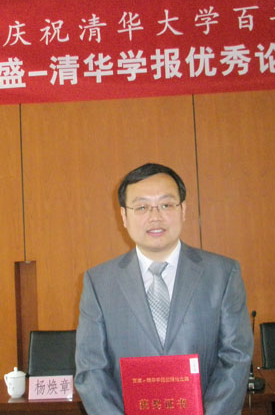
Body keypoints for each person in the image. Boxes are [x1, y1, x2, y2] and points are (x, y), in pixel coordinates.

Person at [74, 163, 253, 414]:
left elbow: (236, 357)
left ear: (183, 210)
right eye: (142, 207)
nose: (155, 217)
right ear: (124, 216)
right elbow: (91, 369)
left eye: (166, 205)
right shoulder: (98, 282)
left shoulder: (222, 274)